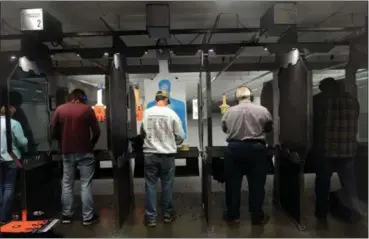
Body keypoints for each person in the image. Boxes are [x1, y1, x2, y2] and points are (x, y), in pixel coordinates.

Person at [221, 86, 273, 226]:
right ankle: (257, 216)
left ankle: (233, 216)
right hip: (257, 150)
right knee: (257, 185)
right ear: (251, 95)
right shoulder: (262, 110)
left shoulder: (229, 112)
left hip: (234, 149)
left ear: (236, 97)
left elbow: (225, 129)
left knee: (232, 185)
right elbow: (268, 127)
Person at [313, 78, 361, 222]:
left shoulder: (321, 101)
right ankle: (353, 211)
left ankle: (321, 212)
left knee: (323, 181)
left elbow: (316, 123)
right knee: (349, 183)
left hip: (327, 149)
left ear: (326, 88)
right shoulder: (353, 101)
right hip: (348, 149)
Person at [52, 89, 101, 226]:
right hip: (85, 151)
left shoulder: (60, 109)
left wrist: (62, 143)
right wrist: (91, 145)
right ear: (81, 98)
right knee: (85, 184)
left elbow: (54, 131)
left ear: (71, 97)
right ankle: (87, 217)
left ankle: (66, 215)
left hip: (67, 151)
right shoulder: (86, 110)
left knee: (67, 183)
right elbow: (97, 131)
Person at [141, 90, 185, 227]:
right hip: (167, 155)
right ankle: (167, 215)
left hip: (149, 154)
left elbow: (141, 133)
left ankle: (151, 218)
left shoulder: (147, 113)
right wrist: (173, 144)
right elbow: (180, 136)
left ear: (156, 99)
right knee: (167, 186)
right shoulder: (172, 114)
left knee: (150, 186)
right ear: (166, 100)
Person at [0, 105, 28, 224]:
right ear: (10, 113)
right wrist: (27, 140)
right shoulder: (14, 123)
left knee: (0, 187)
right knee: (9, 187)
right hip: (11, 158)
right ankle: (4, 217)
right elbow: (22, 141)